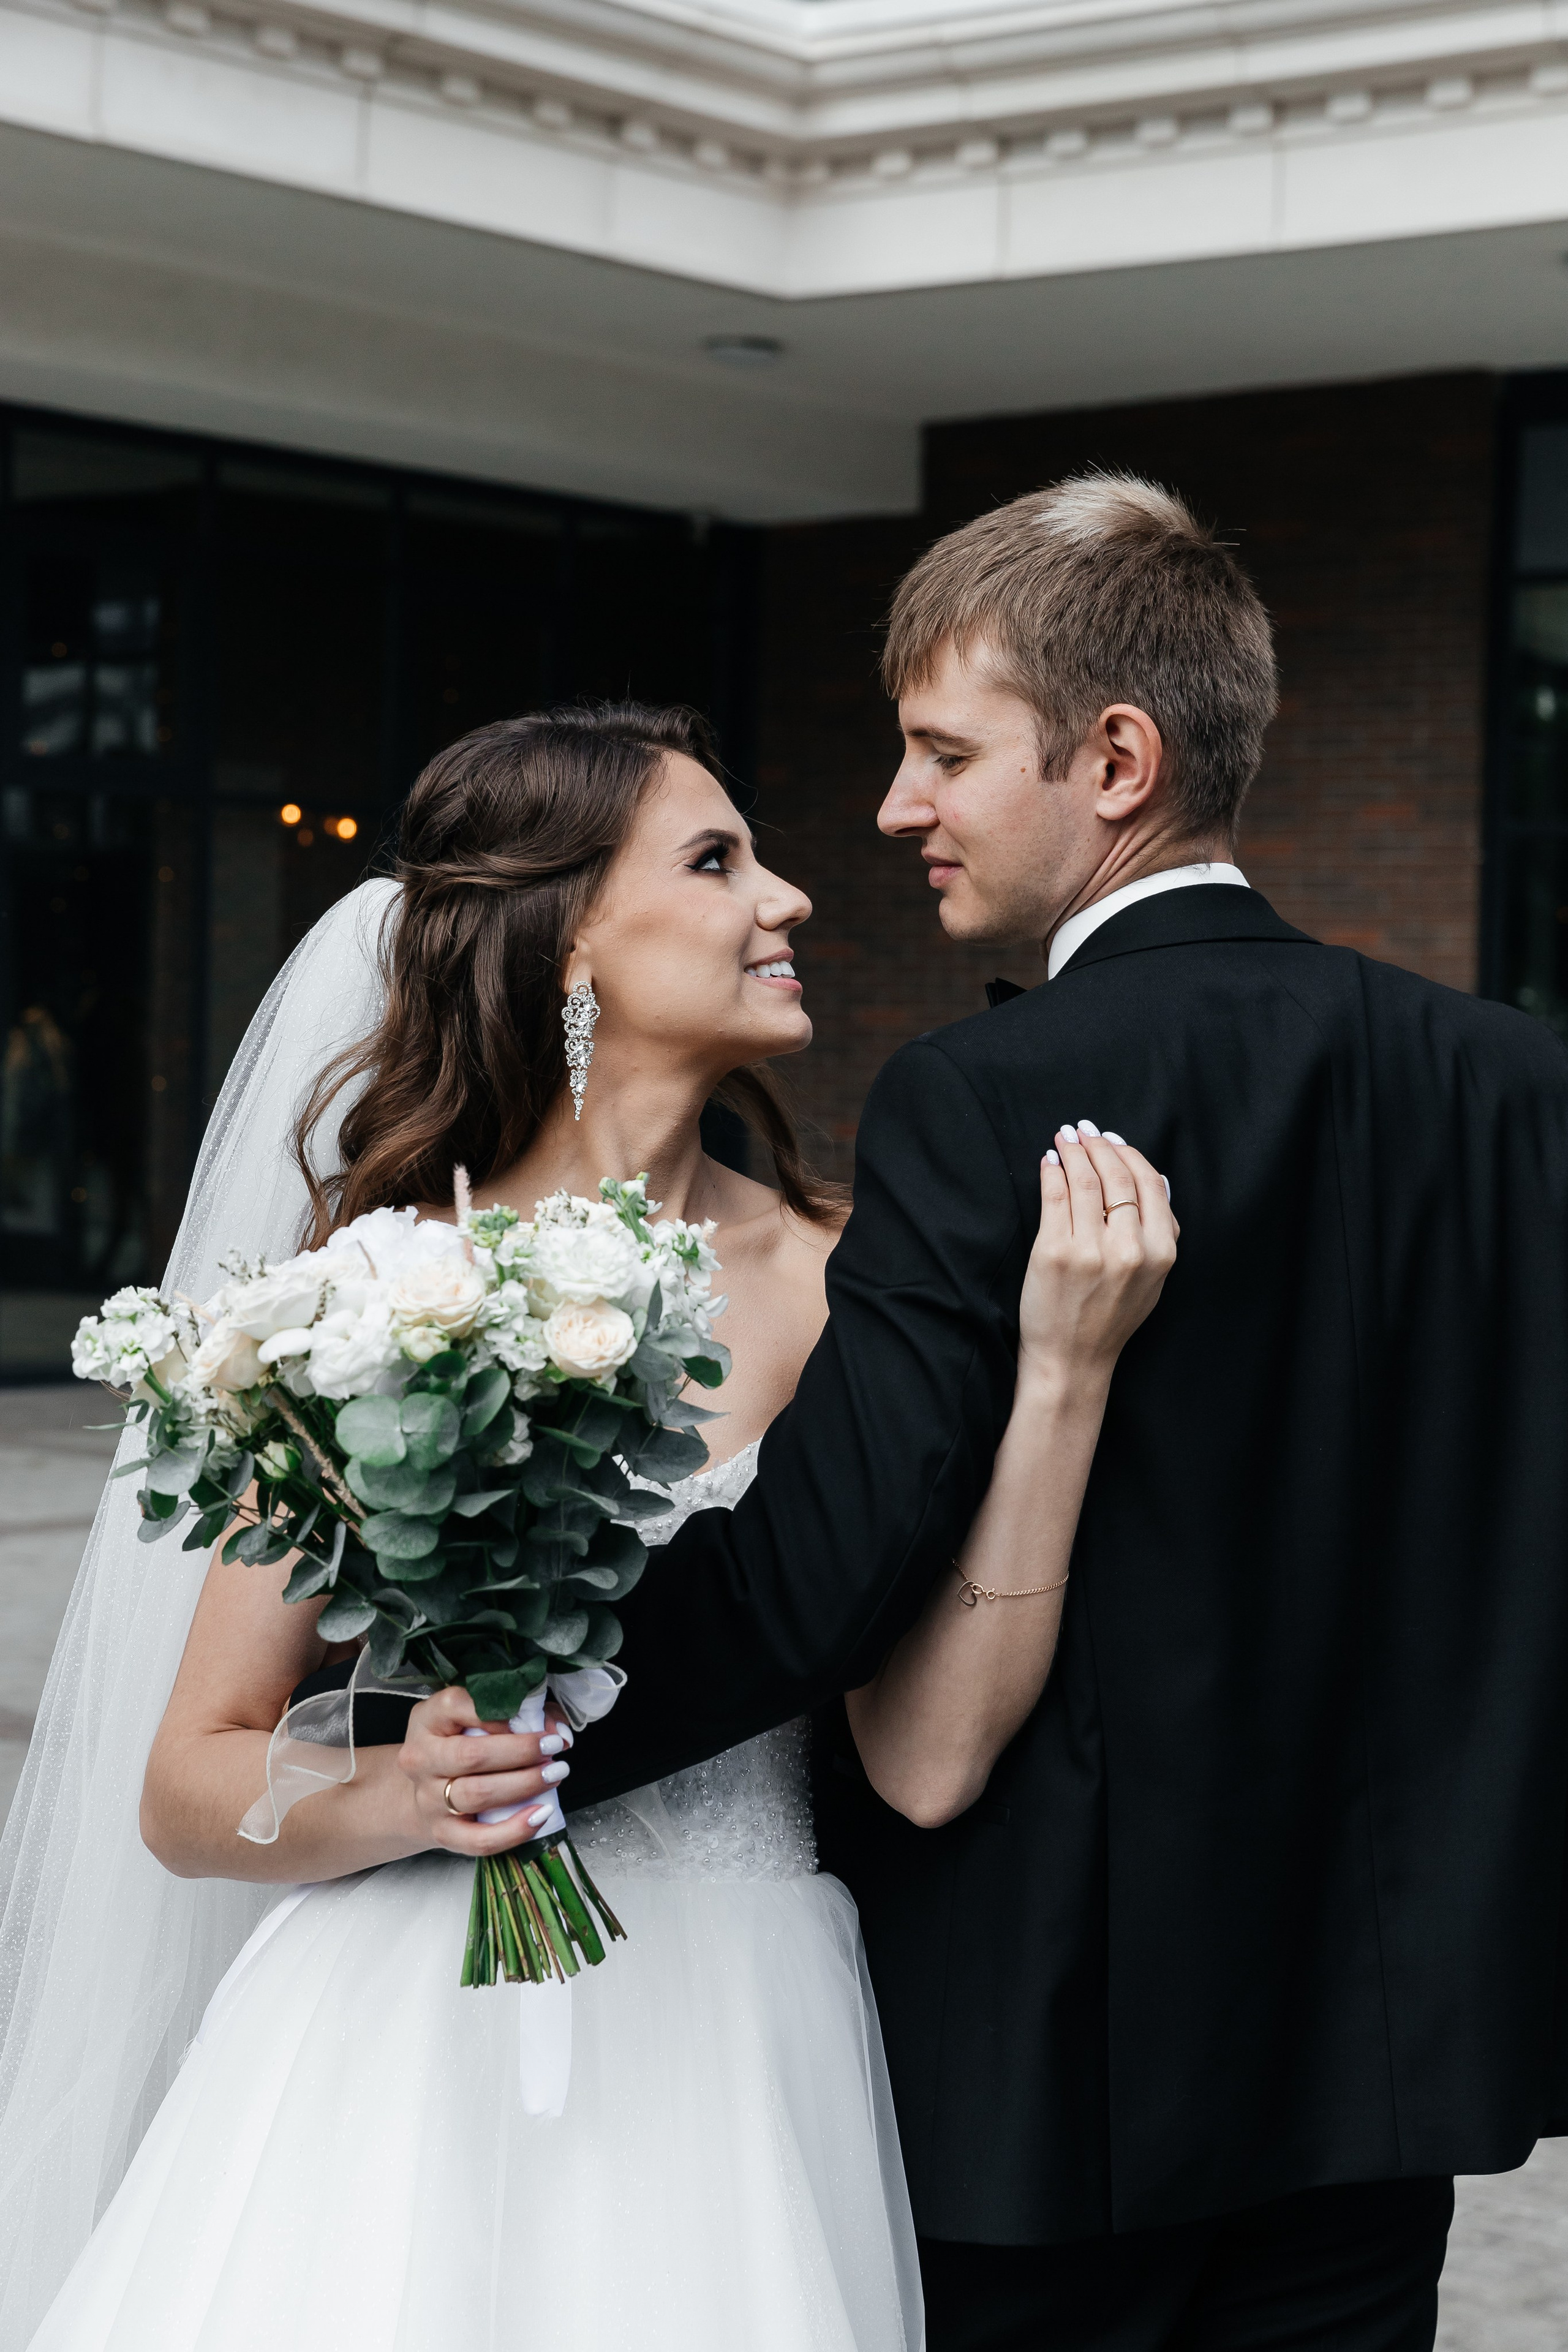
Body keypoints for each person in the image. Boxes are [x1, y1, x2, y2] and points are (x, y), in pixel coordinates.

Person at [1, 702, 1175, 2350]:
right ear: (569, 949)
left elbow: (922, 1751)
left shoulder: (861, 1280)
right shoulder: (367, 1297)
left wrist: (1058, 1377)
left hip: (739, 2033)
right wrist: (404, 1788)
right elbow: (193, 1784)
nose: (793, 900)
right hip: (396, 2040)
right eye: (717, 862)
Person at [545, 478, 1568, 2351]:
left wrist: (512, 1729)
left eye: (943, 751)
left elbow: (817, 1575)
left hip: (1050, 2073)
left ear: (1115, 757)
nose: (895, 807)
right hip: (1387, 2066)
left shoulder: (987, 1090)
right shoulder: (1512, 1087)